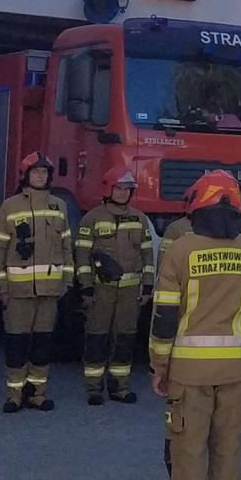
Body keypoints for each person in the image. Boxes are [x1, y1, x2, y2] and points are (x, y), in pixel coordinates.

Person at [152, 170, 241, 480]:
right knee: (228, 451)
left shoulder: (180, 251)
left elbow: (164, 318)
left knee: (188, 453)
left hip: (188, 375)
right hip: (235, 372)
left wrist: (160, 366)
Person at [0, 152, 74, 413]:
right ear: (25, 175)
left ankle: (38, 393)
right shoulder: (10, 206)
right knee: (16, 343)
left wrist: (67, 281)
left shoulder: (59, 206)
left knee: (42, 343)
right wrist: (1, 286)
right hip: (17, 290)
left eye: (44, 172)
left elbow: (66, 246)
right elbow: (0, 250)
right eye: (36, 172)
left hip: (50, 290)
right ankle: (14, 395)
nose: (40, 176)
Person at [77, 161, 154, 405]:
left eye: (127, 189)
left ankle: (120, 386)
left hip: (130, 291)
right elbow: (82, 256)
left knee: (125, 337)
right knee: (97, 336)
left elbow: (147, 255)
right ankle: (93, 387)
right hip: (101, 290)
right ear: (108, 189)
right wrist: (86, 286)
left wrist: (148, 286)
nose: (122, 193)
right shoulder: (92, 218)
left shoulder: (140, 218)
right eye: (118, 188)